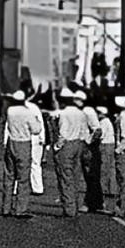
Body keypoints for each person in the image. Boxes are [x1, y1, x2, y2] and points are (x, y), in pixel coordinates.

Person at [2, 88, 44, 218]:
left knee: (9, 176)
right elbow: (36, 130)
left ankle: (6, 207)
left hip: (11, 142)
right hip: (24, 143)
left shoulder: (10, 111)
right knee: (23, 178)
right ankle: (21, 209)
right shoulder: (28, 112)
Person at [54, 87, 86, 219]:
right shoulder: (80, 112)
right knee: (75, 175)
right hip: (78, 143)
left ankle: (69, 208)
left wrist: (57, 146)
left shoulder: (64, 113)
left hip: (66, 144)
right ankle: (76, 204)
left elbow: (63, 133)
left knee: (65, 177)